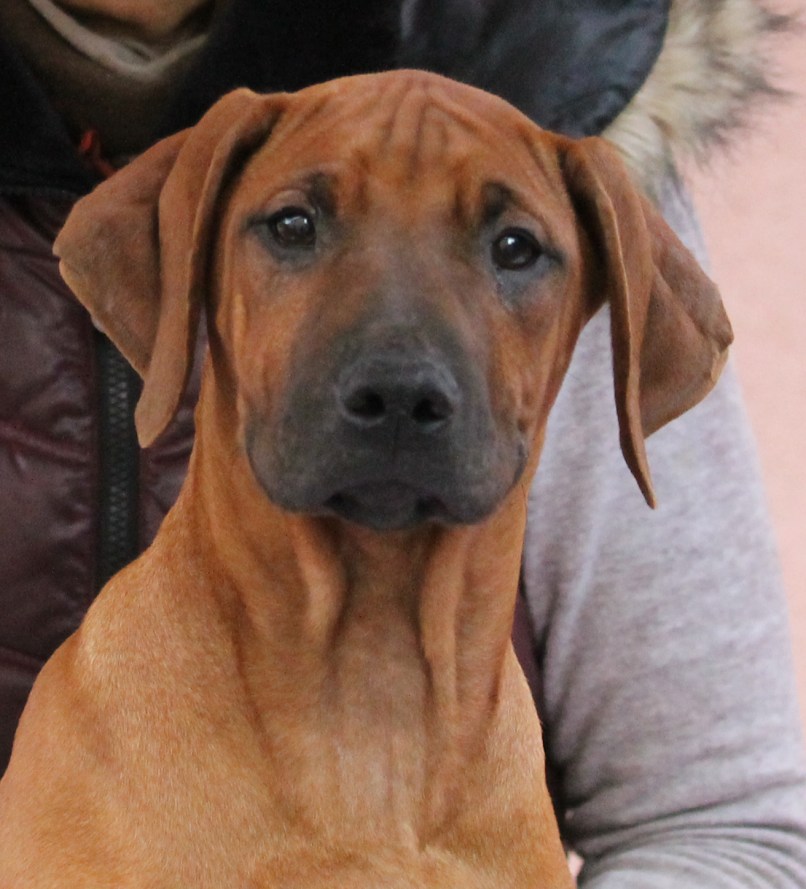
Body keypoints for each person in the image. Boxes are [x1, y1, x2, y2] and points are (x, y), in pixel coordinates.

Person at [0, 1, 804, 885]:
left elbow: (723, 820)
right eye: (296, 229)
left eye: (513, 248)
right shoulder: (97, 776)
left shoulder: (570, 120)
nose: (403, 372)